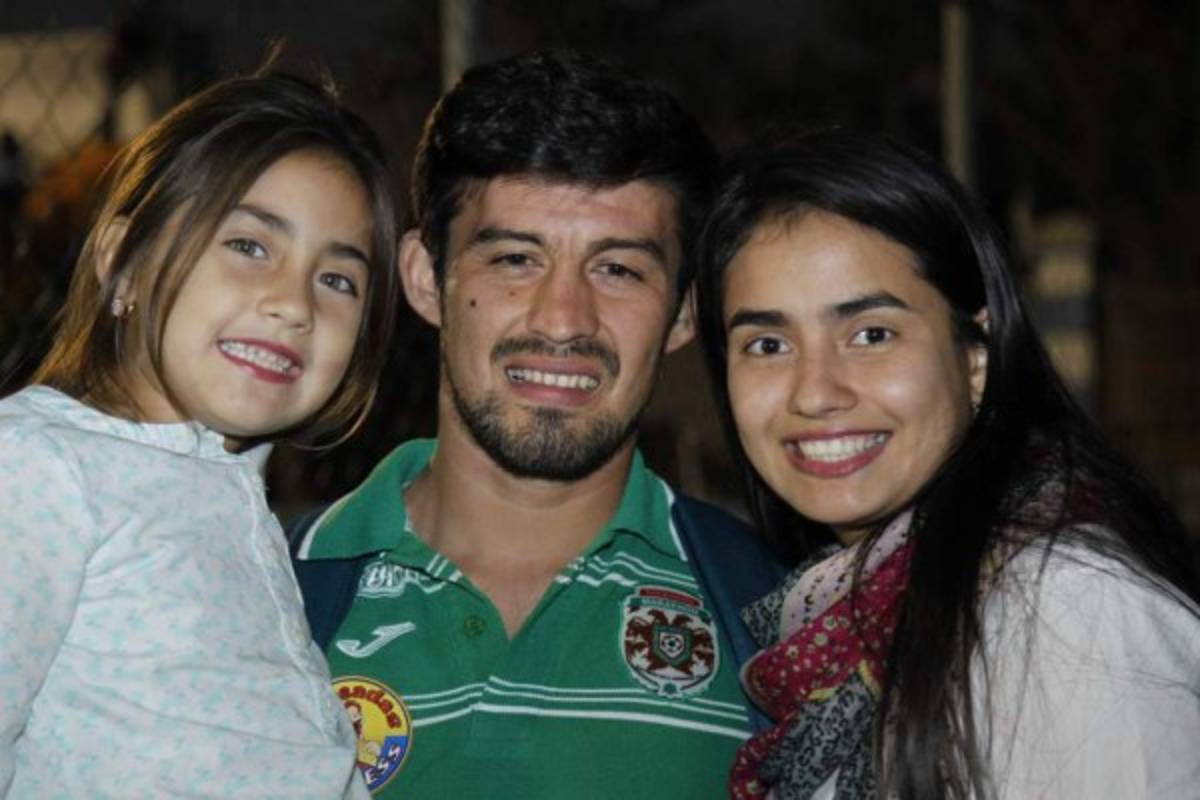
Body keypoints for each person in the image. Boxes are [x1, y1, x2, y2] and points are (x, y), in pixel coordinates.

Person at [290, 49, 785, 798]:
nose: (562, 320)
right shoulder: (271, 590)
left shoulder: (772, 618)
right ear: (425, 277)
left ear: (683, 313)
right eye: (516, 259)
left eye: (618, 269)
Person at [694, 128, 1200, 799]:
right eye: (767, 344)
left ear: (975, 356)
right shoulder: (842, 620)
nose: (814, 393)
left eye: (872, 334)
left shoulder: (1068, 610)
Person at [0, 70, 399, 798]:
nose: (294, 304)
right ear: (124, 263)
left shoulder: (231, 501)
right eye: (249, 245)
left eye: (338, 280)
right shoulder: (38, 466)